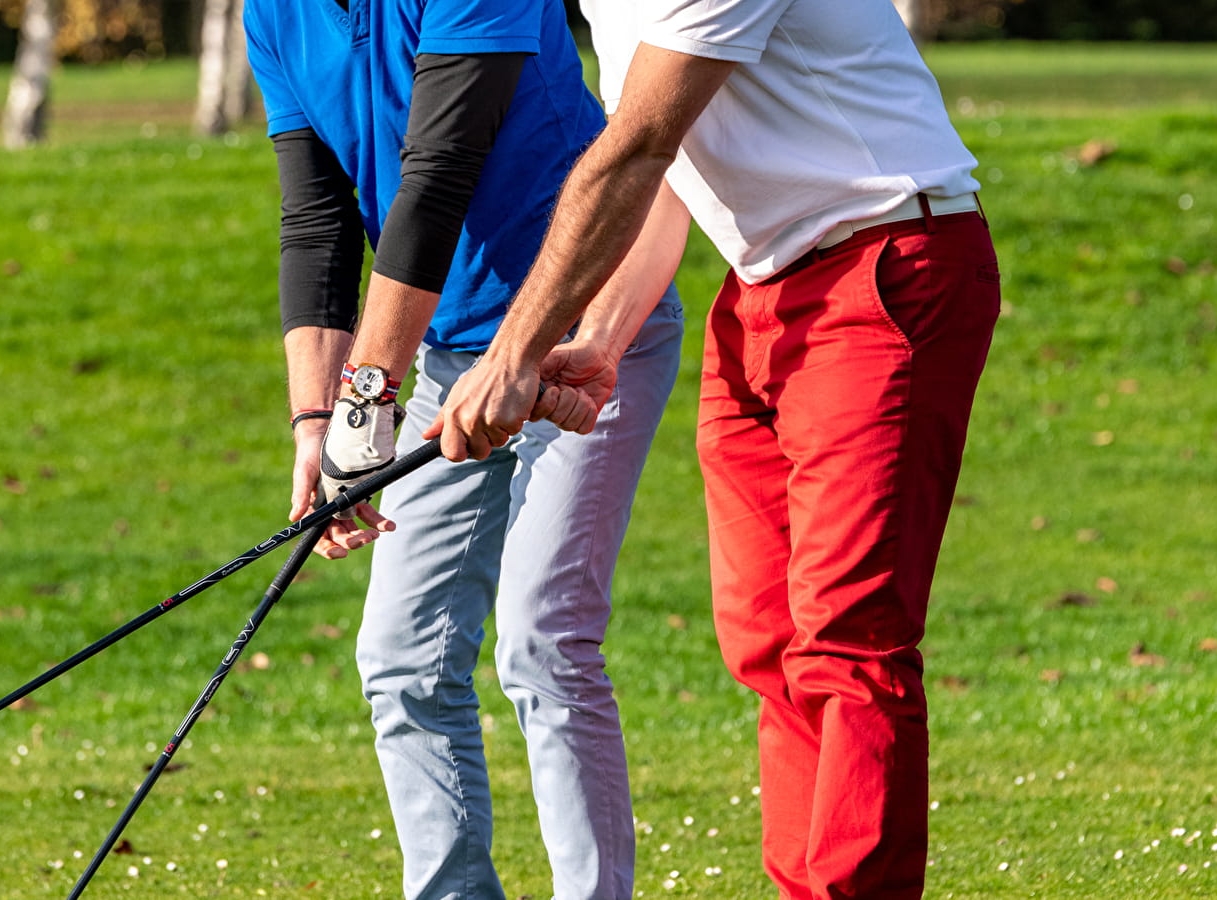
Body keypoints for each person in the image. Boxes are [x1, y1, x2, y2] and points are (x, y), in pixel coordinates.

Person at [429, 2, 1002, 898]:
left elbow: (635, 150)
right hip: (765, 287)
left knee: (849, 639)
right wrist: (603, 338)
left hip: (886, 262)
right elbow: (668, 173)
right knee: (766, 640)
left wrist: (509, 356)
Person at [242, 1, 686, 897]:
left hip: (586, 334)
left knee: (543, 639)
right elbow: (317, 220)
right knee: (401, 656)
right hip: (443, 353)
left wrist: (366, 400)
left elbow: (438, 171)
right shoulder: (272, 11)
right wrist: (316, 423)